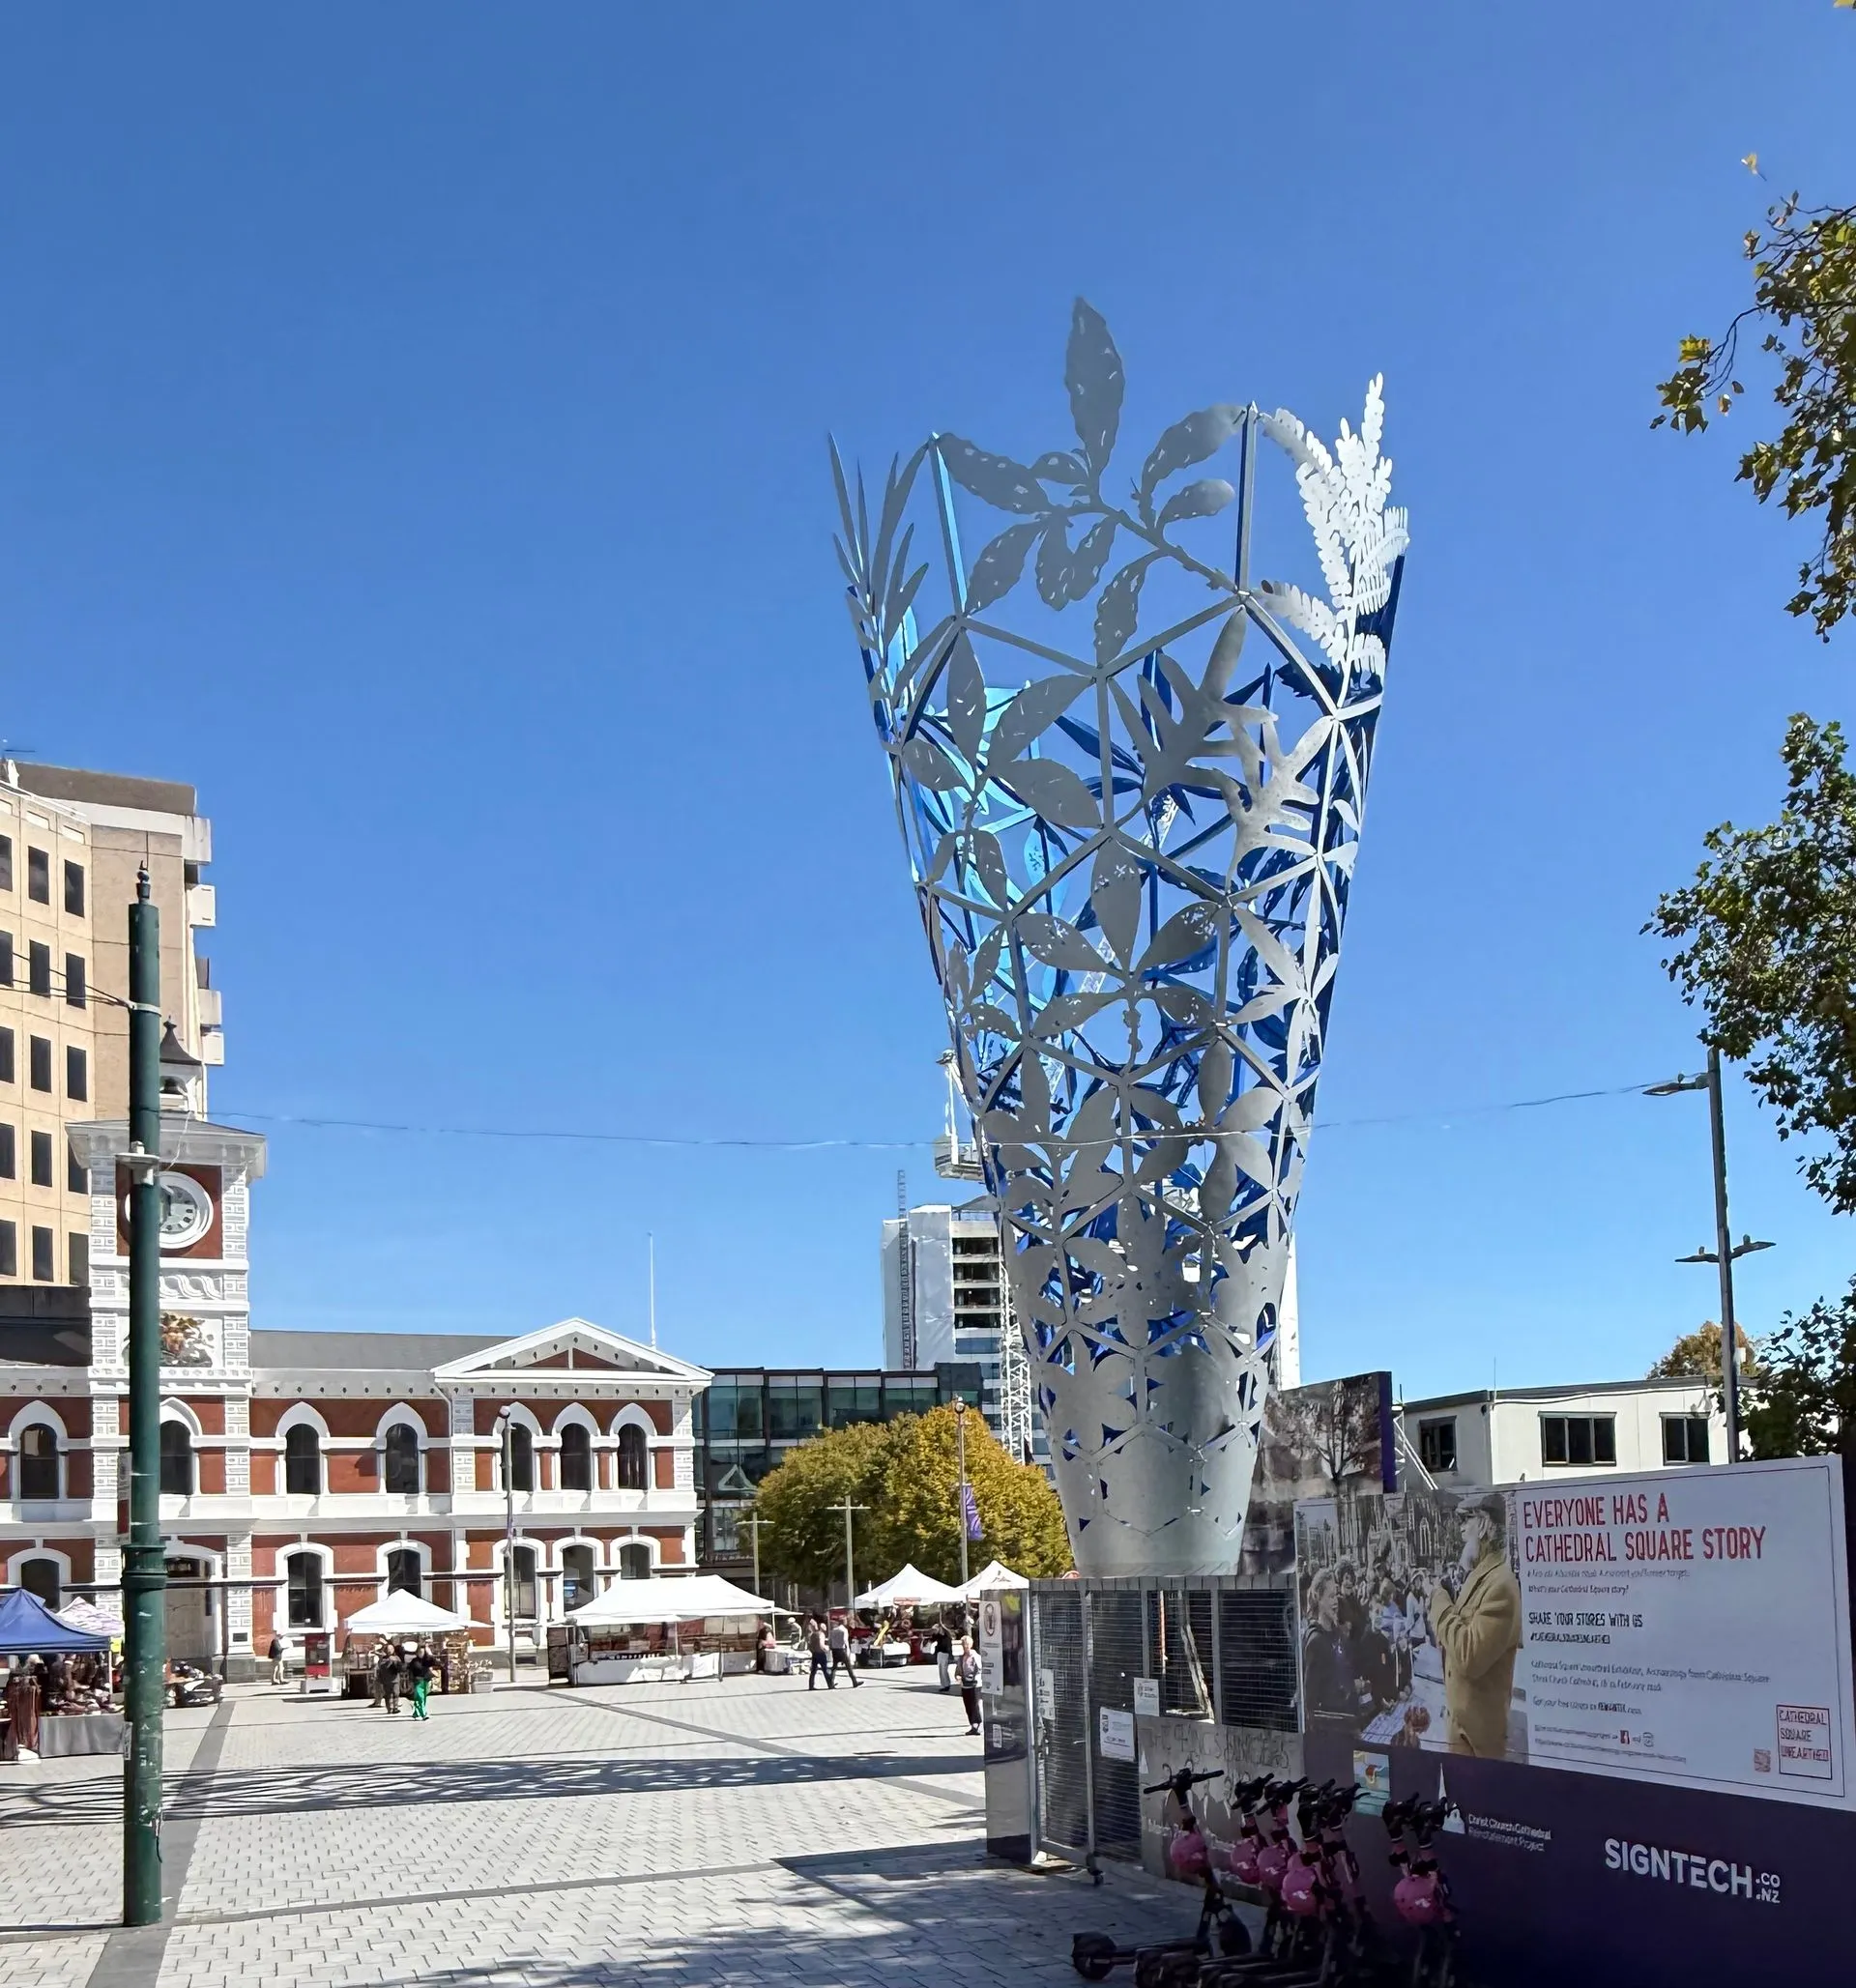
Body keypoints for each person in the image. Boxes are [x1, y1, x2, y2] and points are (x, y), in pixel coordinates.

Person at [1428, 1491, 1523, 1759]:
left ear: (1484, 1525)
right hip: (1463, 1729)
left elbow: (1470, 1656)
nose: (1460, 1528)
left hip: (1480, 1741)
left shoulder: (1500, 1584)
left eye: (1466, 1520)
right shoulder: (1481, 1577)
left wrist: (1439, 1601)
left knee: (1476, 1800)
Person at [955, 1636, 982, 1735]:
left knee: (975, 1705)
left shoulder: (976, 1657)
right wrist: (958, 1677)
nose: (964, 1646)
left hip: (975, 1685)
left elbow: (979, 1670)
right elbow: (958, 1671)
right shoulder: (961, 1657)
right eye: (963, 1644)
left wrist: (972, 1677)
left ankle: (978, 1725)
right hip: (965, 1684)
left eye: (966, 1644)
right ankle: (973, 1725)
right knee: (968, 1706)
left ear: (971, 1645)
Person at [826, 1613, 860, 1687]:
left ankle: (831, 1683)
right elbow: (845, 1642)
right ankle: (854, 1681)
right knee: (848, 1666)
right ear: (843, 1622)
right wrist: (848, 1652)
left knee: (834, 1667)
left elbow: (830, 1641)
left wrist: (831, 1649)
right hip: (842, 1650)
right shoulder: (844, 1630)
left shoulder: (833, 1630)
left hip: (835, 1650)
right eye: (845, 1620)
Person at [407, 1643, 435, 1720]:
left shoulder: (427, 1660)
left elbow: (434, 1662)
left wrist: (429, 1653)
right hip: (417, 1682)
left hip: (425, 1681)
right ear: (417, 1652)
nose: (421, 1653)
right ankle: (424, 1714)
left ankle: (417, 1712)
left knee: (423, 1698)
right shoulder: (414, 1661)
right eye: (419, 1651)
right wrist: (410, 1681)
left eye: (422, 1651)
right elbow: (410, 1671)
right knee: (420, 1698)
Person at [805, 1616, 832, 1690]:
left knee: (813, 1671)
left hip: (814, 1654)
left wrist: (813, 1651)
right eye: (825, 1627)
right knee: (825, 1670)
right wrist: (825, 1649)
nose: (826, 1628)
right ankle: (830, 1684)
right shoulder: (821, 1634)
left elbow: (809, 1645)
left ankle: (811, 1685)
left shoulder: (813, 1634)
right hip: (820, 1653)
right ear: (823, 1628)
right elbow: (821, 1644)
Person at [933, 1618, 954, 1693]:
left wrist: (951, 1655)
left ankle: (947, 1684)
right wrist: (935, 1631)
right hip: (940, 1653)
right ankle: (943, 1685)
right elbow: (933, 1638)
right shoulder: (939, 1636)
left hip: (945, 1653)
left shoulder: (947, 1636)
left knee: (944, 1670)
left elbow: (949, 1646)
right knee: (940, 1670)